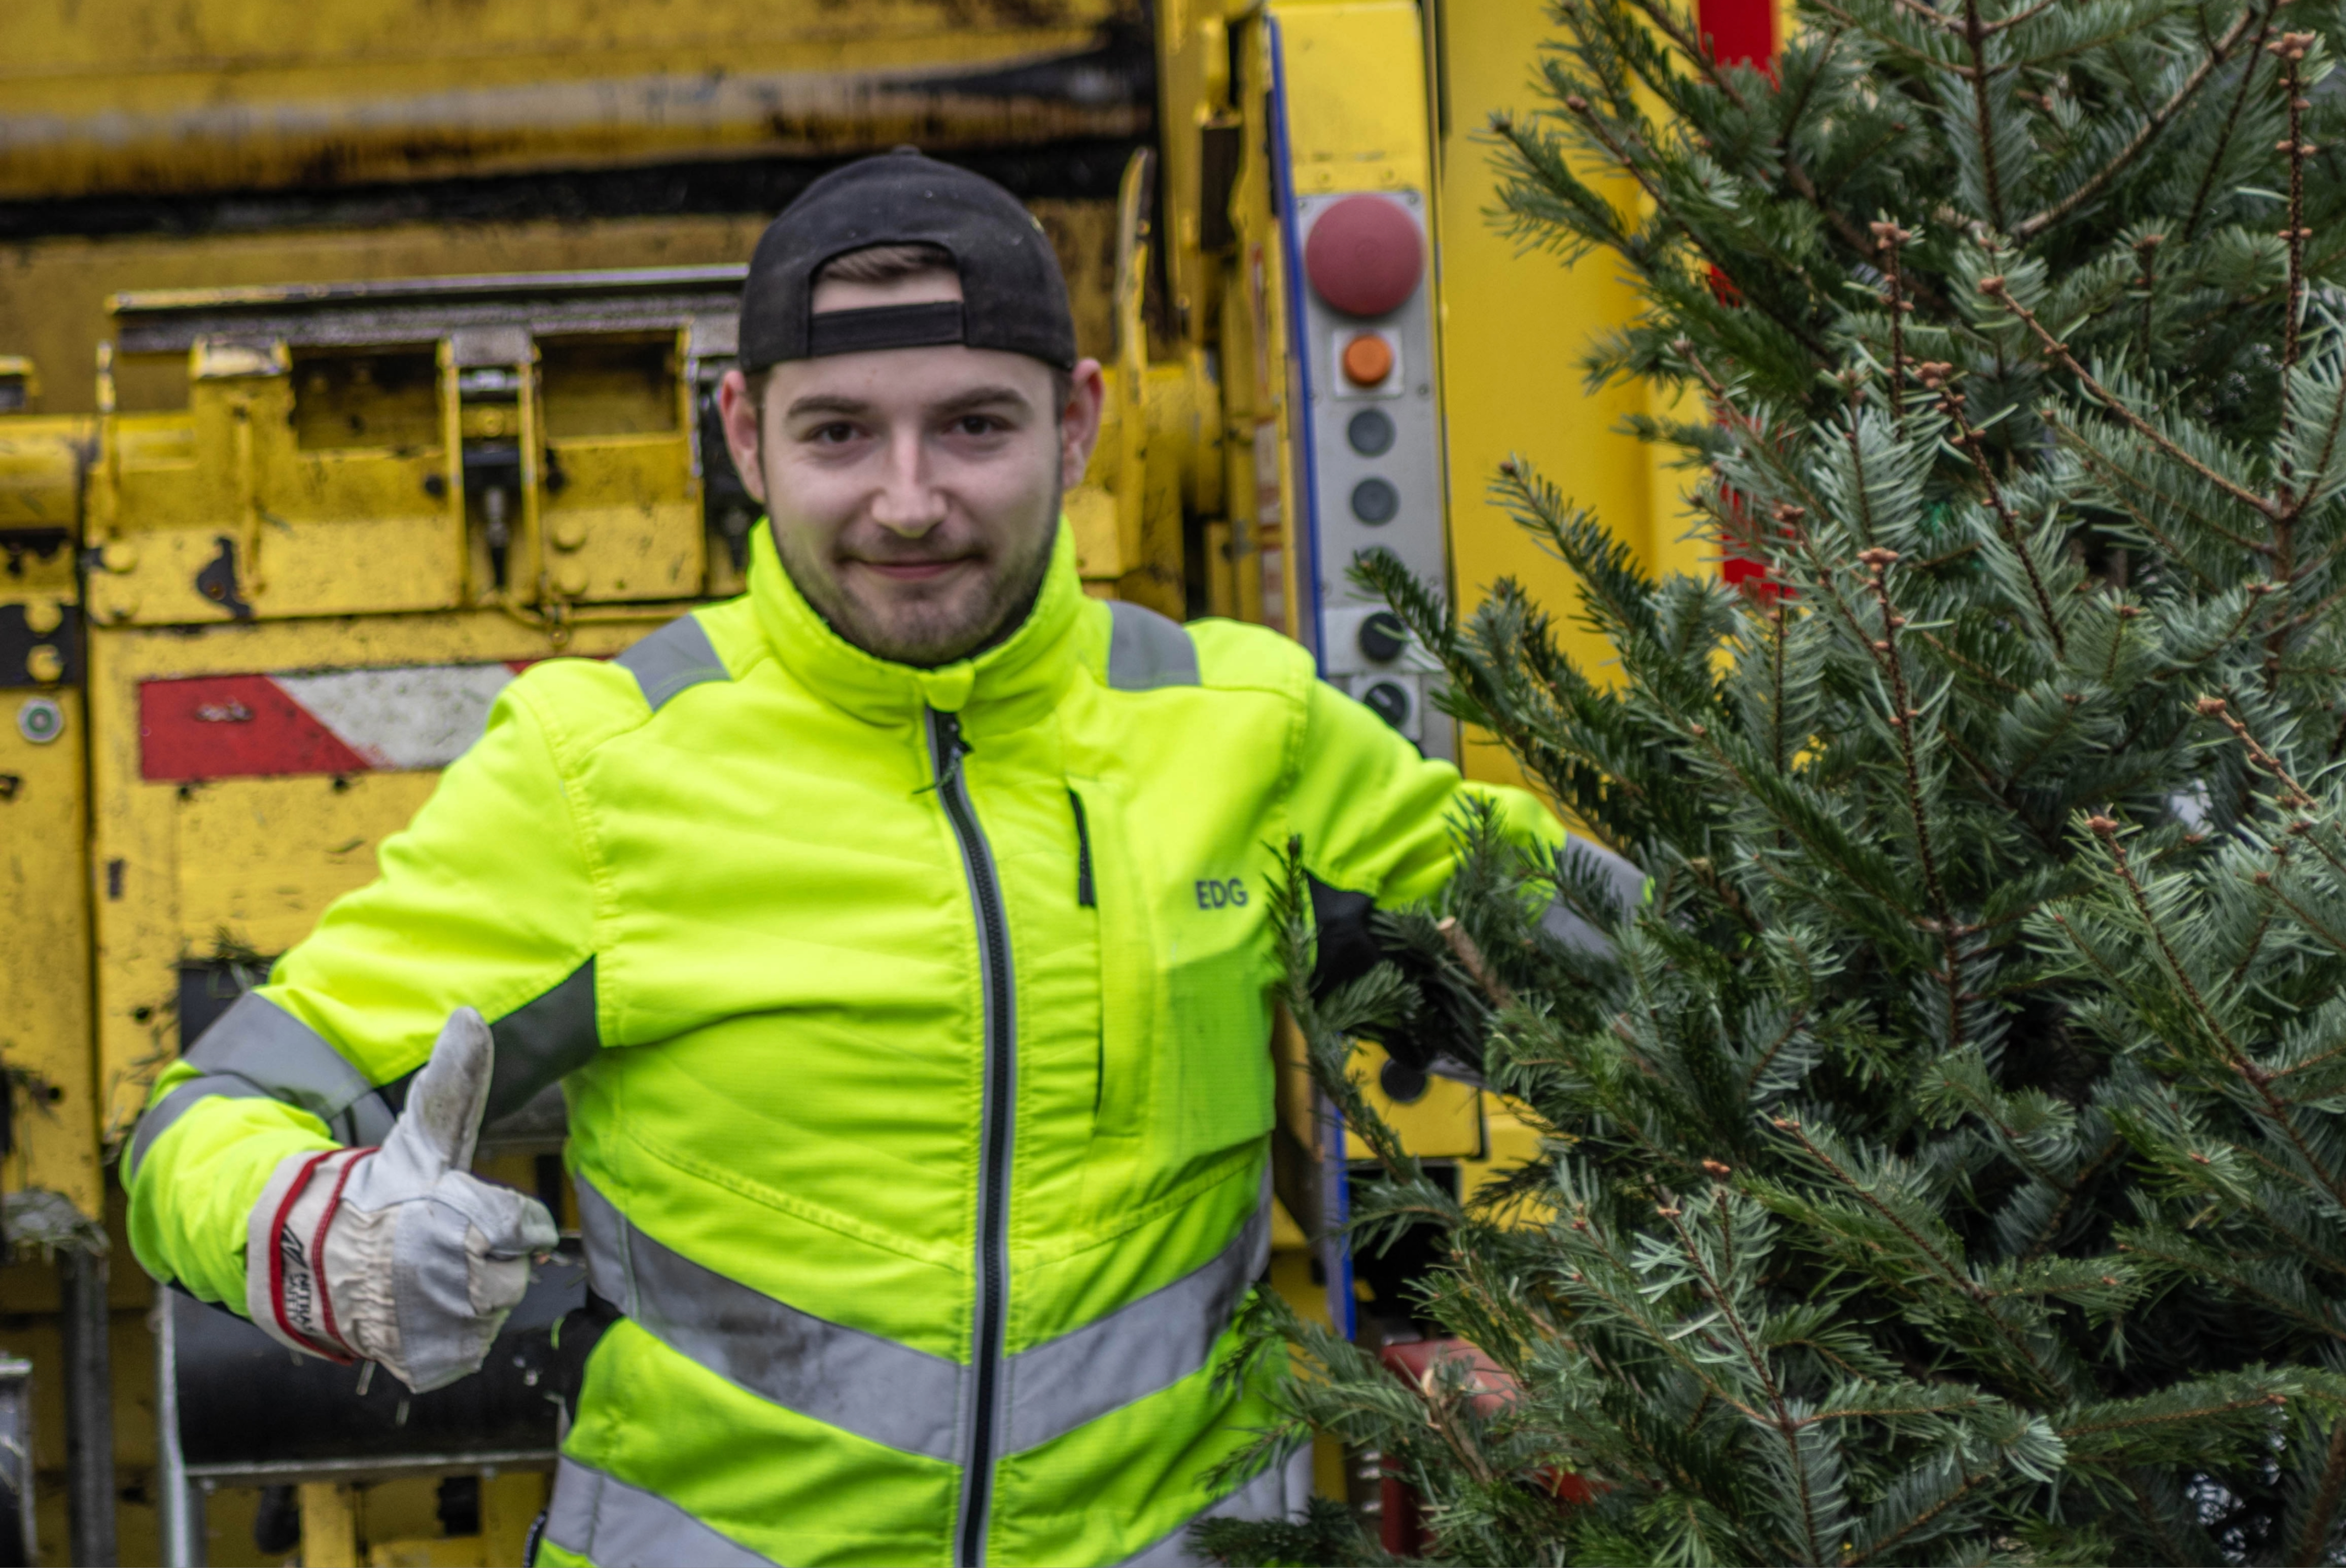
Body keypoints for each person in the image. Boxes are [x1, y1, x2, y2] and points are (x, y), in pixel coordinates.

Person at [122, 150, 1605, 1567]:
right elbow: (201, 1122)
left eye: (974, 424)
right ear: (744, 434)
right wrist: (324, 1236)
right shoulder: (604, 767)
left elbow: (1628, 967)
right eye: (840, 432)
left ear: (1078, 424)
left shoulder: (1239, 732)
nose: (907, 499)